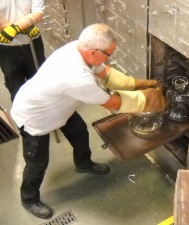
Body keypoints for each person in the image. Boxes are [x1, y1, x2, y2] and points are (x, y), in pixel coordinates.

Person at [10, 23, 165, 220]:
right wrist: (150, 100)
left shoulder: (78, 48)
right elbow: (113, 102)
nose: (110, 57)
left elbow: (105, 72)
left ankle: (83, 164)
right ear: (94, 51)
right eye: (109, 53)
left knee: (80, 133)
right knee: (37, 162)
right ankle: (29, 198)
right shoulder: (77, 78)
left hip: (59, 106)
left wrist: (134, 84)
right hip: (35, 116)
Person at [0, 0, 46, 101]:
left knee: (40, 84)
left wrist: (15, 29)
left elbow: (38, 13)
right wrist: (24, 28)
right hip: (7, 48)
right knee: (16, 90)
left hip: (33, 43)